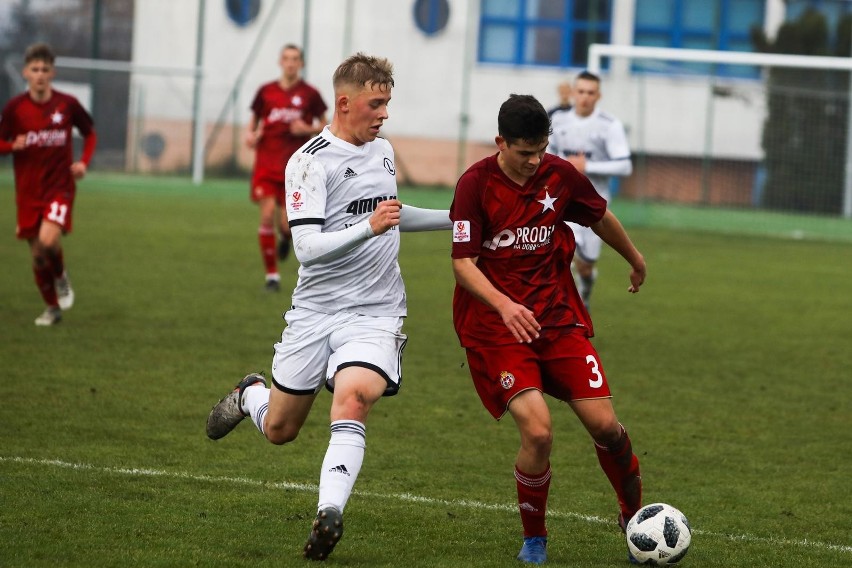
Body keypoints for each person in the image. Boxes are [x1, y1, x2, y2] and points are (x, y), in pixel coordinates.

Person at [206, 53, 451, 561]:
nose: (384, 114)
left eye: (387, 103)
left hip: (376, 312)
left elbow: (393, 215)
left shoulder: (382, 150)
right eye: (375, 103)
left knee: (354, 398)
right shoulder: (308, 162)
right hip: (315, 313)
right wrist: (370, 227)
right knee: (279, 430)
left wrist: (461, 219)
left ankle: (329, 512)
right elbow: (307, 248)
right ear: (345, 103)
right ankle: (250, 394)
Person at [450, 94, 645, 565]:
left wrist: (635, 259)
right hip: (498, 330)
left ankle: (635, 517)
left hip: (557, 320)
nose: (535, 161)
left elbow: (598, 215)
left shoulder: (559, 175)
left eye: (542, 149)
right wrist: (504, 305)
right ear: (501, 142)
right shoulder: (475, 184)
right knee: (538, 432)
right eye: (524, 153)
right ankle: (534, 538)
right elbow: (462, 265)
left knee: (606, 426)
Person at [0, 42, 97, 326]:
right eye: (35, 69)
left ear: (52, 72)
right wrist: (10, 146)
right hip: (28, 192)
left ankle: (61, 276)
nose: (40, 74)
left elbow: (89, 133)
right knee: (39, 256)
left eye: (45, 69)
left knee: (48, 240)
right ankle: (52, 309)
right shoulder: (15, 108)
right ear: (26, 73)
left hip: (60, 186)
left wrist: (83, 163)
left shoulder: (67, 104)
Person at [245, 43, 328, 292]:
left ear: (301, 64)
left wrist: (307, 129)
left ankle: (285, 238)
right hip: (267, 164)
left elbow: (326, 125)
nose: (290, 63)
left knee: (287, 226)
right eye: (286, 59)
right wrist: (250, 135)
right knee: (267, 214)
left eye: (295, 59)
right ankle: (272, 277)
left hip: (295, 169)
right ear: (280, 62)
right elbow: (253, 123)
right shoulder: (266, 92)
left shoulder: (310, 94)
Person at [547, 71, 632, 310]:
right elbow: (546, 153)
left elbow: (625, 165)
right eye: (581, 91)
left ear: (598, 95)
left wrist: (587, 166)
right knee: (562, 251)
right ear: (574, 92)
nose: (585, 97)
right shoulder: (559, 120)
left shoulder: (609, 125)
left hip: (595, 204)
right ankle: (560, 307)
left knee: (586, 264)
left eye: (590, 93)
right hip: (562, 201)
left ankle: (585, 288)